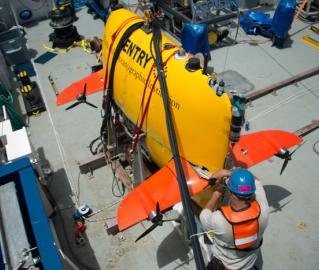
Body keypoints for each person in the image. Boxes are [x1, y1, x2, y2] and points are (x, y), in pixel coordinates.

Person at [200, 168, 269, 270]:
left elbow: (203, 214)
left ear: (230, 193)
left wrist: (215, 195)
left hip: (223, 266)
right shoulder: (264, 211)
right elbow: (256, 181)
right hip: (248, 265)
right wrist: (237, 175)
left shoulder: (219, 220)